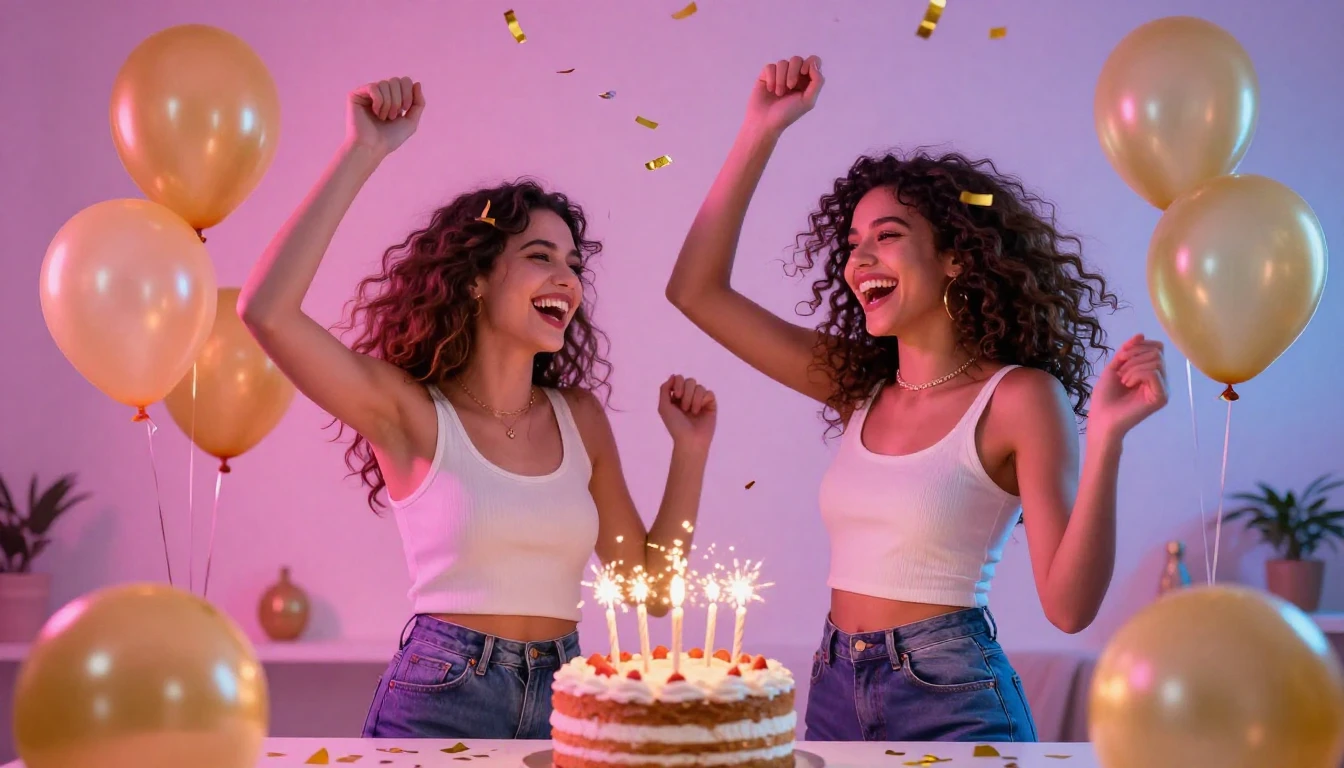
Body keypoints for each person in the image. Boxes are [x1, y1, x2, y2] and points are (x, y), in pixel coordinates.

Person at [665, 56, 1168, 742]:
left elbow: (1069, 607)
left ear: (956, 257)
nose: (858, 261)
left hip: (953, 696)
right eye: (852, 244)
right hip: (835, 689)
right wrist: (760, 132)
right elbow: (695, 291)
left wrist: (1106, 435)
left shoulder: (1018, 397)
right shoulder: (860, 387)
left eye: (888, 238)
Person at [240, 77, 718, 739]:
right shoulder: (408, 413)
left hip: (567, 697)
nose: (567, 280)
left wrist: (690, 453)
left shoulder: (580, 418)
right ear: (474, 278)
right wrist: (364, 151)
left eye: (573, 265)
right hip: (443, 693)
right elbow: (264, 311)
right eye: (539, 257)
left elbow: (651, 591)